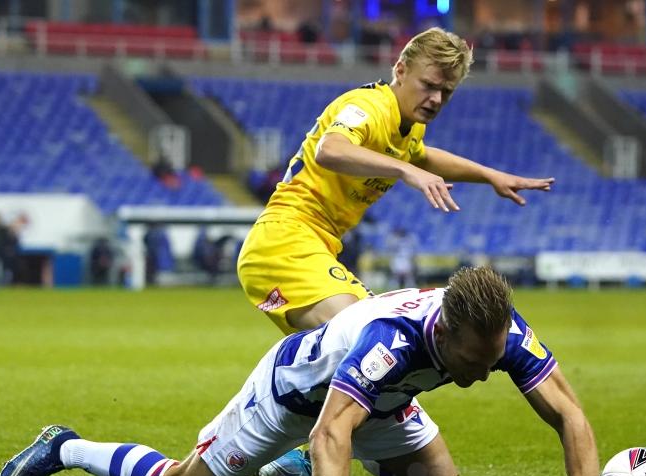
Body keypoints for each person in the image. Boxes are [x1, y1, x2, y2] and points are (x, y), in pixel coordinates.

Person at [0, 267, 613, 476]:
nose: (485, 373)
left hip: (390, 404)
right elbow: (328, 432)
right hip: (297, 400)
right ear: (445, 335)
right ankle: (65, 446)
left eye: (494, 357)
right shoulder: (387, 344)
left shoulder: (496, 329)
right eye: (475, 361)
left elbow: (570, 415)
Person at [236, 27, 554, 336]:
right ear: (400, 70)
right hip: (284, 241)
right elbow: (329, 149)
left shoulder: (410, 126)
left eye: (446, 92)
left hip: (315, 246)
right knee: (366, 337)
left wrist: (489, 176)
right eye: (428, 85)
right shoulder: (368, 107)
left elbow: (422, 156)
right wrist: (405, 171)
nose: (435, 99)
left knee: (377, 350)